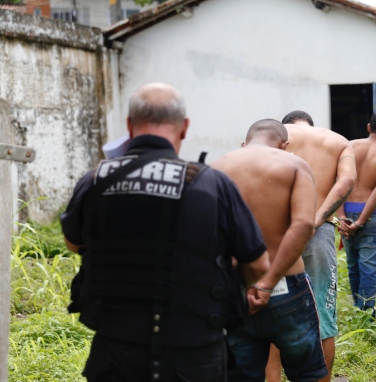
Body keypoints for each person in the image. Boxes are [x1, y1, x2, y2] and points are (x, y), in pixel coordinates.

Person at [60, 83, 270, 381]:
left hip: (115, 352)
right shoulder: (213, 184)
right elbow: (259, 264)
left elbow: (72, 242)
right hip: (193, 351)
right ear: (184, 127)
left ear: (130, 126)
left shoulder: (96, 179)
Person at [211, 119, 328, 382]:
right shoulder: (295, 165)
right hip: (288, 289)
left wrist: (243, 282)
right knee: (309, 374)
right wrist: (267, 284)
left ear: (245, 142)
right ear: (284, 145)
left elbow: (209, 233)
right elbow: (303, 225)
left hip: (237, 291)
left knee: (238, 375)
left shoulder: (216, 169)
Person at [265, 110, 355, 382]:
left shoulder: (273, 136)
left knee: (270, 312)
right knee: (323, 315)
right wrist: (316, 220)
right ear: (312, 126)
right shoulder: (338, 141)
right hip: (320, 233)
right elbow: (348, 181)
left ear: (286, 127)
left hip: (277, 234)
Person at [336, 110, 376, 314]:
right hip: (369, 216)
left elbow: (338, 183)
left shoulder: (349, 146)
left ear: (369, 127)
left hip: (346, 212)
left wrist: (342, 217)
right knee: (368, 268)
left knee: (353, 265)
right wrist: (360, 222)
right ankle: (366, 311)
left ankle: (357, 308)